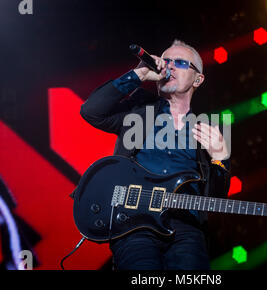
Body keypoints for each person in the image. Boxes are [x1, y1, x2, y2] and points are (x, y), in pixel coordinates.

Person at [80, 39, 231, 270]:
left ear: (198, 79)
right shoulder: (138, 110)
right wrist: (138, 74)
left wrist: (220, 159)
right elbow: (91, 111)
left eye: (179, 62)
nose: (169, 66)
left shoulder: (209, 129)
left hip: (186, 229)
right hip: (135, 224)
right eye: (166, 60)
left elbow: (215, 200)